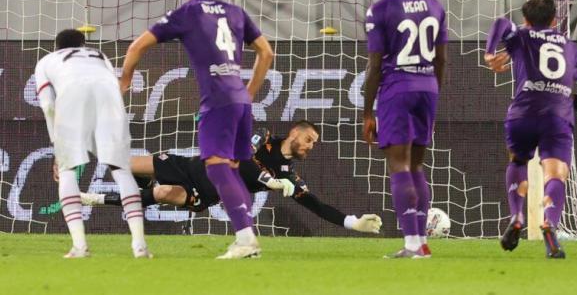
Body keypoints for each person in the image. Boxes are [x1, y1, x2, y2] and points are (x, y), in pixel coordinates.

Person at [120, 0, 274, 259]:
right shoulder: (235, 11)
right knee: (231, 169)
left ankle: (245, 240)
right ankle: (248, 239)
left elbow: (136, 47)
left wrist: (124, 82)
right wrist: (250, 92)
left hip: (217, 101)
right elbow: (266, 53)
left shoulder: (187, 12)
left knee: (216, 168)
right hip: (240, 101)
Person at [80, 121, 382, 234]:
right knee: (124, 163)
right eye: (310, 139)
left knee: (161, 196)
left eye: (314, 143)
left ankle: (98, 199)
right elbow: (241, 158)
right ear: (294, 133)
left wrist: (352, 222)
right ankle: (80, 153)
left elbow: (316, 206)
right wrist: (268, 180)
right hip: (193, 166)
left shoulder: (289, 177)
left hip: (208, 191)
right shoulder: (262, 137)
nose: (311, 145)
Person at [484, 0, 577, 259]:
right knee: (555, 173)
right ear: (555, 20)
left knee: (518, 161)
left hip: (522, 113)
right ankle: (549, 223)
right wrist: (568, 75)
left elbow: (501, 23)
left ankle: (516, 214)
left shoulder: (521, 36)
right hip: (557, 115)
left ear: (526, 20)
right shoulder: (568, 45)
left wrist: (490, 52)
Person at [363, 0, 448, 258]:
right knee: (417, 166)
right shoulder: (434, 5)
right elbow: (441, 61)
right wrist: (434, 97)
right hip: (428, 87)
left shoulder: (381, 9)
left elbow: (374, 66)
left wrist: (367, 112)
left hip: (397, 87)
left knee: (399, 164)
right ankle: (421, 244)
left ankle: (412, 244)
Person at [35, 29, 150, 258]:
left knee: (67, 170)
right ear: (83, 44)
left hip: (72, 100)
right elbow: (116, 86)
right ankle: (140, 246)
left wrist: (57, 145)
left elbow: (48, 105)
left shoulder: (46, 61)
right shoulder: (98, 55)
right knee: (121, 170)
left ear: (56, 46)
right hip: (110, 101)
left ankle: (79, 247)